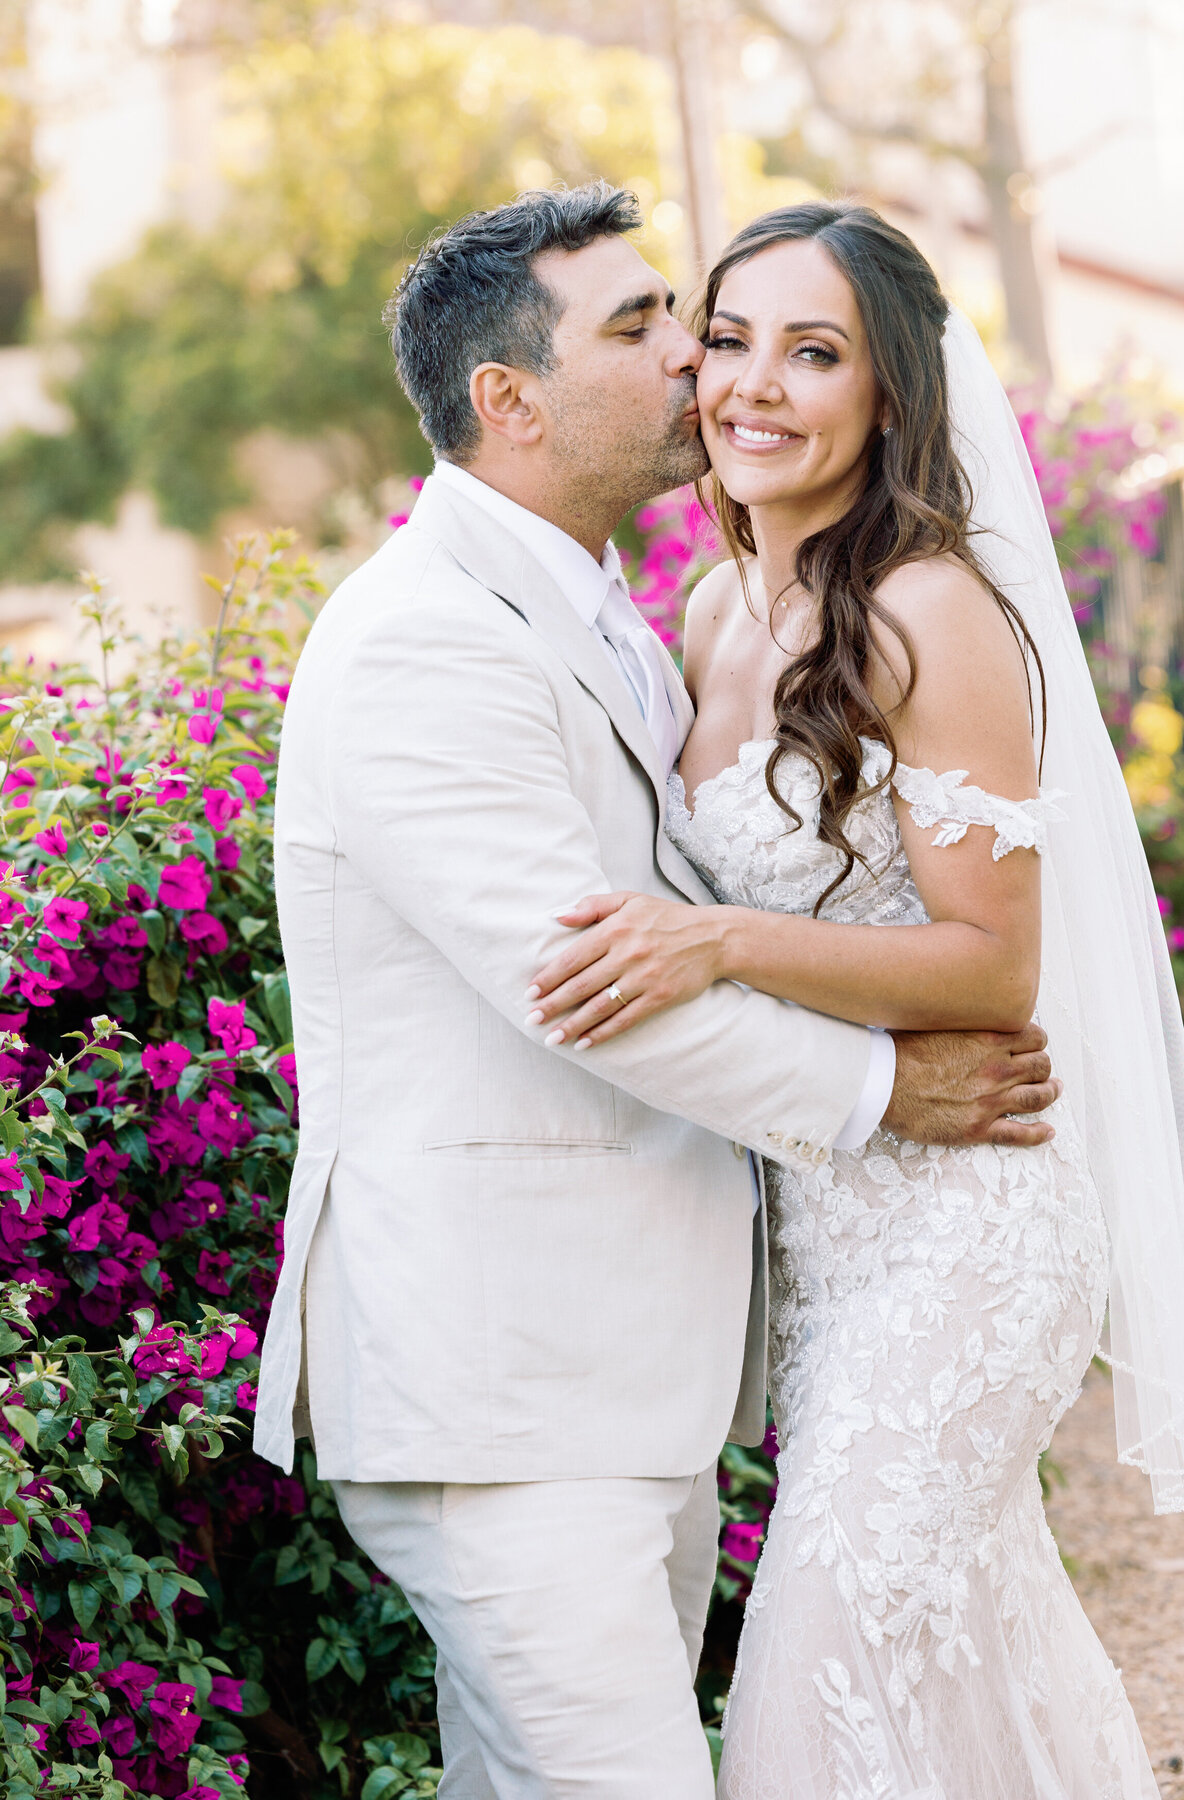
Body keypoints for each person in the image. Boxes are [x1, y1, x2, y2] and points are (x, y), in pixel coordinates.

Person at [253, 184, 1062, 1798]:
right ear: (510, 397)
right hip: (508, 1388)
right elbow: (589, 979)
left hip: (632, 1371)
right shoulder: (424, 645)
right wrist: (885, 1090)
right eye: (647, 325)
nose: (698, 359)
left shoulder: (625, 612)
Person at [528, 202, 1184, 1798]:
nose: (753, 387)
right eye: (729, 341)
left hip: (969, 1233)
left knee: (815, 1681)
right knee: (966, 1672)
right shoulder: (707, 611)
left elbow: (990, 963)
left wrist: (722, 945)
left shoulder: (929, 612)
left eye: (812, 354)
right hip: (826, 1238)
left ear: (890, 395)